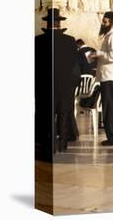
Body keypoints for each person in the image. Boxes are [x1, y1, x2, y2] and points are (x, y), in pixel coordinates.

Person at [35, 8, 80, 158]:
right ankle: (62, 144)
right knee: (63, 113)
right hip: (65, 86)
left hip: (44, 85)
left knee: (47, 114)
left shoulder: (37, 41)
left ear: (47, 24)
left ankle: (49, 144)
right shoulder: (70, 41)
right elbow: (75, 65)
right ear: (59, 24)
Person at [90, 11, 113, 146]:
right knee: (112, 108)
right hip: (110, 76)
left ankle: (112, 137)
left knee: (109, 108)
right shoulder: (110, 36)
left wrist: (98, 54)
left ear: (112, 23)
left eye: (105, 22)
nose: (103, 24)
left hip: (110, 76)